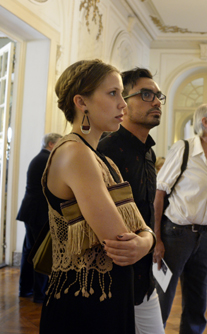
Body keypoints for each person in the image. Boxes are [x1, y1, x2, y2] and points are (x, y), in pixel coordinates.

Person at [39, 59, 156, 334]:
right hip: (84, 303)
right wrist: (144, 241)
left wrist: (145, 241)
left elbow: (141, 230)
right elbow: (120, 241)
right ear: (82, 102)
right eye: (112, 93)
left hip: (106, 295)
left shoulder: (101, 159)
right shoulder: (75, 153)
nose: (123, 104)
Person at [153, 103, 207, 333]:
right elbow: (159, 194)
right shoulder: (184, 149)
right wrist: (157, 239)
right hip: (175, 235)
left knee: (198, 300)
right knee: (162, 297)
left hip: (203, 238)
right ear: (206, 122)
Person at [98, 67, 164, 334]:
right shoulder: (105, 150)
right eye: (147, 94)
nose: (157, 101)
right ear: (122, 103)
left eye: (159, 95)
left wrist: (153, 241)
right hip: (112, 283)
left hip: (144, 277)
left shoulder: (148, 152)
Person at [17, 132, 62, 303]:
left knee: (30, 252)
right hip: (38, 213)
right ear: (51, 145)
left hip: (31, 212)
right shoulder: (46, 159)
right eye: (59, 144)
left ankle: (25, 289)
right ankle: (40, 294)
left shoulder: (41, 158)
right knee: (41, 253)